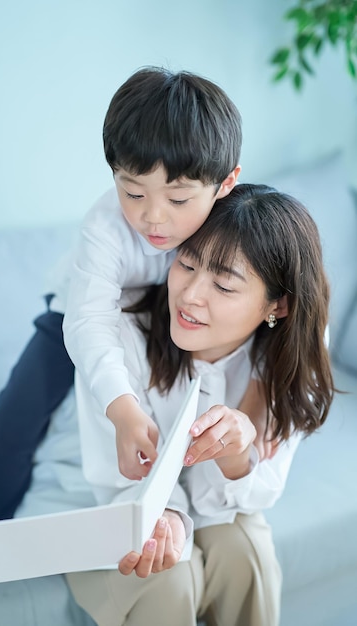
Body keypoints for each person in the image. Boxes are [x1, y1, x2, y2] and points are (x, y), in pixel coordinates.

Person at [0, 66, 269, 575]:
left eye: (178, 199)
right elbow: (88, 320)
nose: (153, 218)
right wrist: (121, 409)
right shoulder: (106, 227)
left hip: (169, 319)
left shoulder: (233, 218)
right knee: (13, 414)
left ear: (226, 183)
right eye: (132, 192)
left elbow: (280, 273)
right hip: (79, 315)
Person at [60, 183, 334, 626]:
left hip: (208, 502)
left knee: (246, 551)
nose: (189, 296)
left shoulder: (289, 363)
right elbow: (116, 480)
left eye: (224, 286)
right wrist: (166, 512)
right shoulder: (120, 342)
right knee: (170, 573)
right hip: (101, 498)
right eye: (185, 263)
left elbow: (255, 493)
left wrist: (234, 457)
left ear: (277, 306)